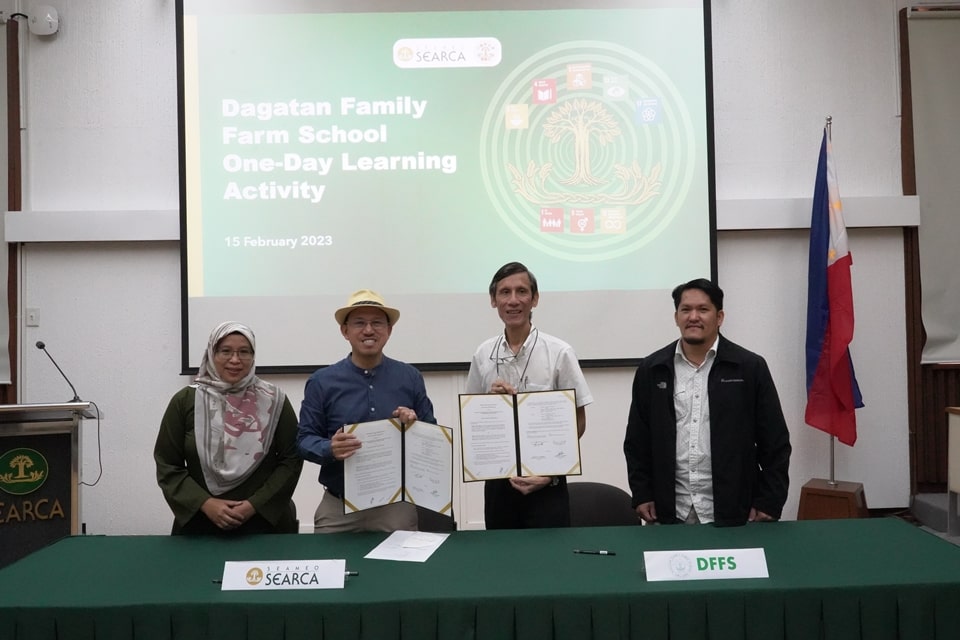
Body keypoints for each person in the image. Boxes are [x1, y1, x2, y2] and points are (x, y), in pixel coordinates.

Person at [623, 278, 792, 526]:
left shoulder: (749, 367)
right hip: (670, 511)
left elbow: (775, 442)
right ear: (676, 317)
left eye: (703, 309)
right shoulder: (653, 369)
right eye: (686, 310)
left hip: (735, 512)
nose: (693, 317)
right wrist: (642, 493)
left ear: (719, 316)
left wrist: (770, 501)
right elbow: (637, 442)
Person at [297, 289, 437, 533]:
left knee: (401, 571)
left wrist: (415, 429)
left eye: (377, 323)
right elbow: (303, 440)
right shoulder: (322, 381)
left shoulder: (410, 377)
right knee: (331, 568)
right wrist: (329, 448)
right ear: (345, 331)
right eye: (359, 323)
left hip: (395, 507)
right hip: (338, 506)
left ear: (389, 330)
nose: (369, 330)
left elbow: (433, 438)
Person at [465, 261, 593, 529]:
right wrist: (490, 403)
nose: (513, 301)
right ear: (493, 300)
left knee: (551, 562)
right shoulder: (483, 354)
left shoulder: (559, 352)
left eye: (522, 291)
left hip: (548, 483)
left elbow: (578, 421)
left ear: (534, 299)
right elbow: (473, 422)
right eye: (505, 292)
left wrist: (549, 474)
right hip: (499, 484)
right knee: (503, 561)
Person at [154, 321, 302, 535]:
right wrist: (205, 503)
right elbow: (167, 464)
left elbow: (292, 459)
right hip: (201, 524)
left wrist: (254, 505)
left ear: (253, 356)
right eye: (225, 351)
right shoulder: (186, 401)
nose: (235, 360)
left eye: (244, 352)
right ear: (211, 354)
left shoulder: (274, 400)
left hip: (265, 523)